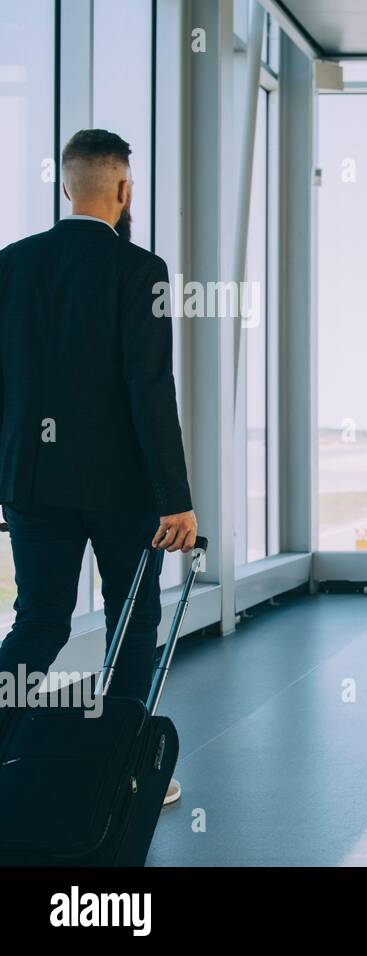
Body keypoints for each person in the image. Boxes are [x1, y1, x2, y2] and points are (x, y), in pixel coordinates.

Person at [0, 129, 197, 807]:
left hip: (31, 481)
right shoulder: (141, 270)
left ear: (64, 185)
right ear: (123, 190)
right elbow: (150, 386)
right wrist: (175, 497)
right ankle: (126, 767)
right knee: (133, 620)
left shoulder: (11, 264)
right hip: (122, 487)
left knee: (40, 620)